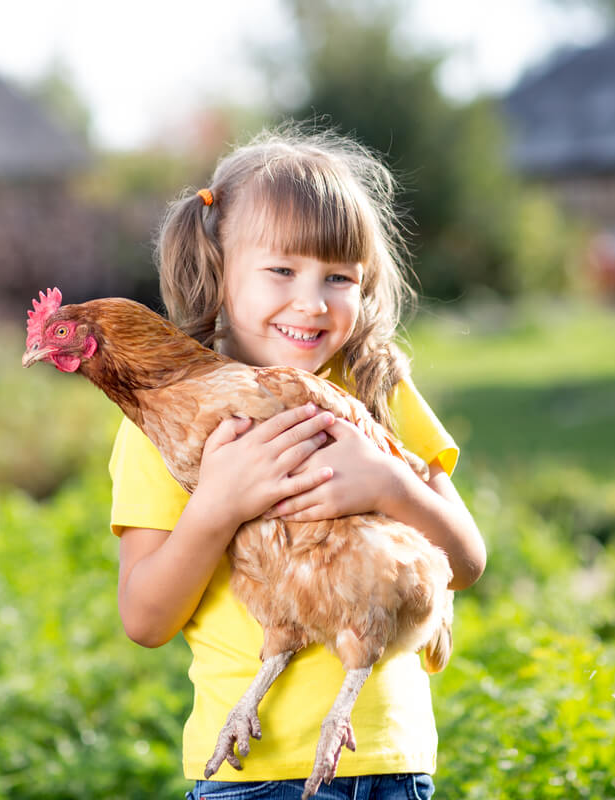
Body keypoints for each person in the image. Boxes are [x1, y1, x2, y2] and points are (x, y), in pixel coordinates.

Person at [109, 125, 486, 800]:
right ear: (220, 269)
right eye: (282, 271)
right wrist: (216, 506)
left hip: (382, 765)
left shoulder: (375, 387)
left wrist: (392, 483)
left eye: (338, 278)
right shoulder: (163, 421)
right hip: (251, 776)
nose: (312, 302)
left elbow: (465, 563)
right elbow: (145, 619)